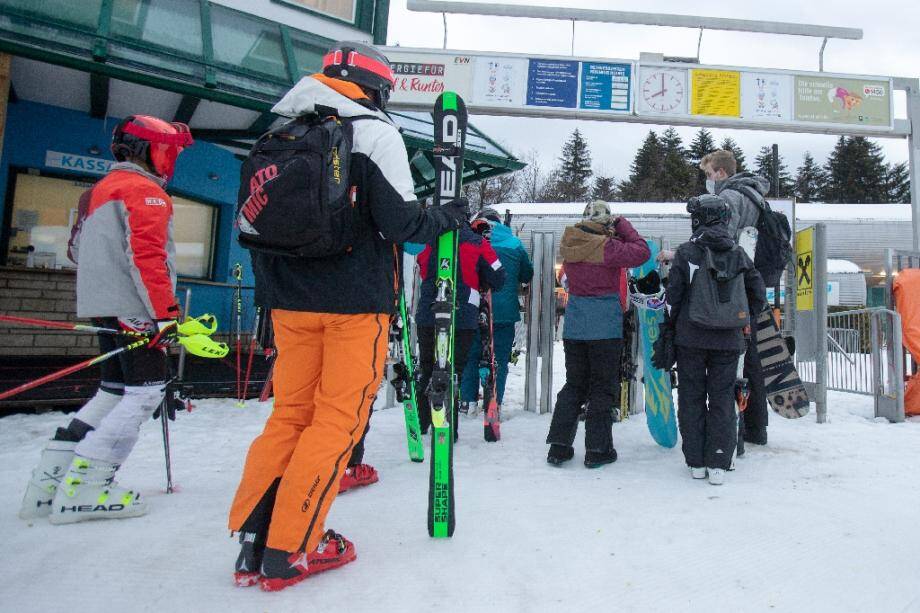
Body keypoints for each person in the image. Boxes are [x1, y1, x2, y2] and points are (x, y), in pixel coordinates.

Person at [228, 41, 470, 592]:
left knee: (289, 415)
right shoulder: (375, 133)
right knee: (337, 420)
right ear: (376, 89)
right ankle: (292, 547)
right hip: (353, 305)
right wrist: (449, 214)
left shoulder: (278, 134)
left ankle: (254, 539)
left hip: (288, 302)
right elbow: (402, 225)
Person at [18, 115, 193, 523]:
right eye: (169, 151)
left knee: (113, 391)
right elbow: (149, 258)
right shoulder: (145, 193)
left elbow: (77, 252)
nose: (172, 160)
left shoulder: (97, 192)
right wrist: (166, 316)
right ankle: (86, 487)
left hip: (102, 305)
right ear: (149, 151)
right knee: (145, 393)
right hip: (135, 307)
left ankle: (50, 483)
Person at [660, 195, 766, 485]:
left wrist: (674, 325)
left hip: (690, 339)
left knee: (691, 397)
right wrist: (740, 320)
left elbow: (674, 297)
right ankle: (719, 461)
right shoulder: (739, 254)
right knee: (721, 398)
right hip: (728, 341)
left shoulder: (686, 253)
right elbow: (758, 295)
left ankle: (696, 461)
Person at [545, 201, 650, 468]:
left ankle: (558, 446)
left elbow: (565, 281)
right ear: (606, 222)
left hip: (576, 325)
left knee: (574, 384)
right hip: (604, 326)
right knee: (603, 387)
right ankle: (598, 449)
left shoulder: (570, 243)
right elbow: (642, 252)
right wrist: (623, 225)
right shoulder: (608, 247)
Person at [699, 150, 772, 446]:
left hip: (733, 288)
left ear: (720, 173)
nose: (707, 181)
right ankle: (756, 428)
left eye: (708, 174)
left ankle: (735, 435)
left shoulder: (730, 197)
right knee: (751, 358)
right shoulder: (756, 195)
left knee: (733, 361)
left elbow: (722, 243)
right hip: (753, 281)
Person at [415, 217, 505, 439]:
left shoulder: (428, 239)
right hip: (463, 315)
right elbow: (499, 276)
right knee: (453, 370)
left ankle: (421, 423)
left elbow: (422, 269)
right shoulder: (477, 243)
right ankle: (448, 427)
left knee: (428, 367)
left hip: (428, 313)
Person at [460, 207, 532, 414]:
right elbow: (527, 274)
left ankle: (468, 401)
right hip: (503, 313)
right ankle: (494, 403)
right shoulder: (514, 243)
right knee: (499, 358)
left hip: (472, 309)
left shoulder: (469, 241)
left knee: (471, 357)